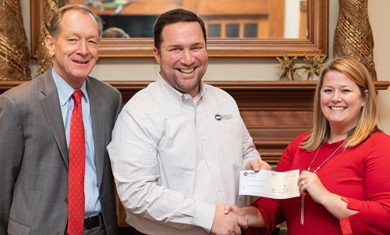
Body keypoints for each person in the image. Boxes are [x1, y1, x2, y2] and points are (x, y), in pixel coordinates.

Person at [107, 8, 271, 235]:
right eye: (176, 49)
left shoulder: (225, 101)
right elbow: (137, 193)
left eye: (196, 47)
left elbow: (246, 152)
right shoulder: (137, 113)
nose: (188, 59)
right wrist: (208, 217)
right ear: (157, 54)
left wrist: (252, 165)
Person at [230, 57, 390, 234]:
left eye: (345, 90)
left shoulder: (380, 146)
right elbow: (274, 205)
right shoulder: (300, 145)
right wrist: (241, 215)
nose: (335, 98)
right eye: (328, 90)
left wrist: (325, 197)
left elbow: (385, 217)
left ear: (364, 99)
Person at [0, 4, 122, 235]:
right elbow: (2, 186)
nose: (83, 50)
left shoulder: (110, 99)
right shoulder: (17, 103)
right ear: (50, 45)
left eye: (92, 41)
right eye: (73, 40)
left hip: (99, 229)